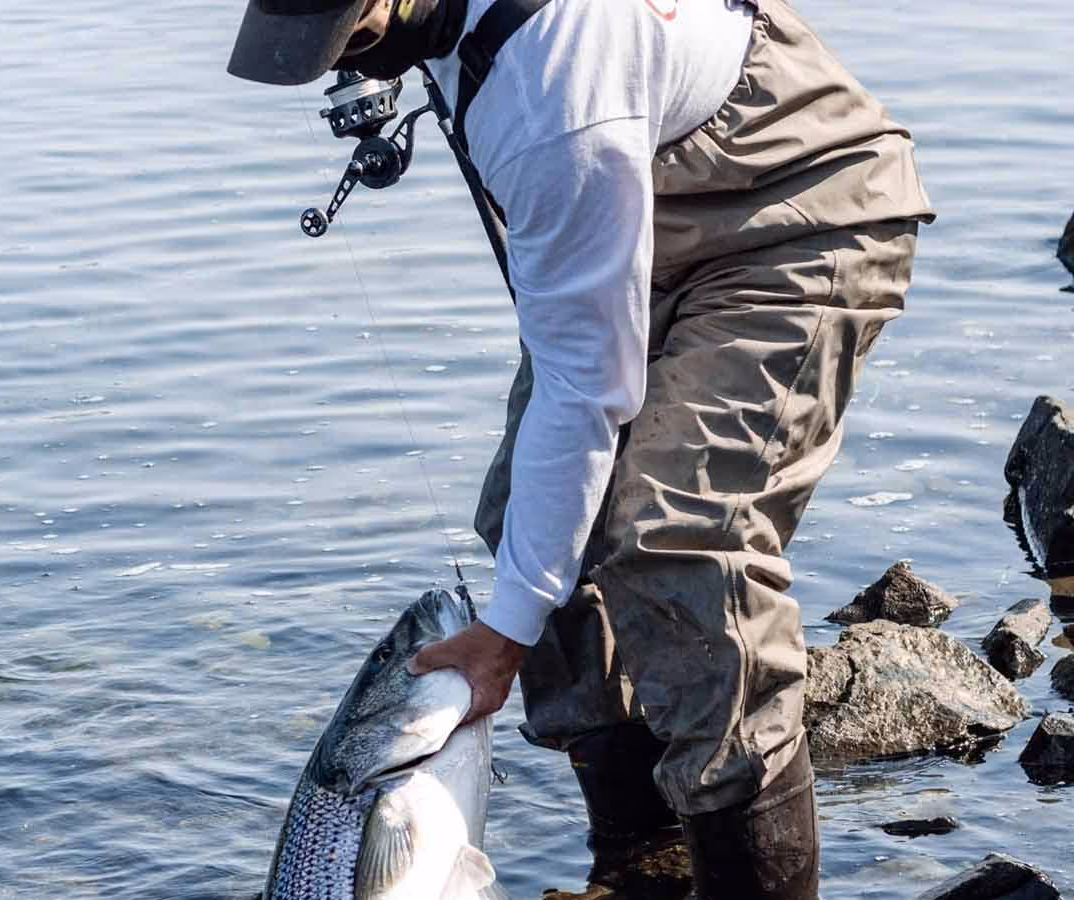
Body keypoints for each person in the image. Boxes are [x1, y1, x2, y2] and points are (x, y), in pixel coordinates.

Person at [226, 0, 933, 897]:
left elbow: (585, 388)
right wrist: (521, 603)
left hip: (792, 221)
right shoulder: (484, 57)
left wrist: (503, 635)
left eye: (353, 34)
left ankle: (748, 871)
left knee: (675, 538)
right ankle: (642, 857)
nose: (346, 61)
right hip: (642, 223)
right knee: (524, 517)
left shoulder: (559, 82)